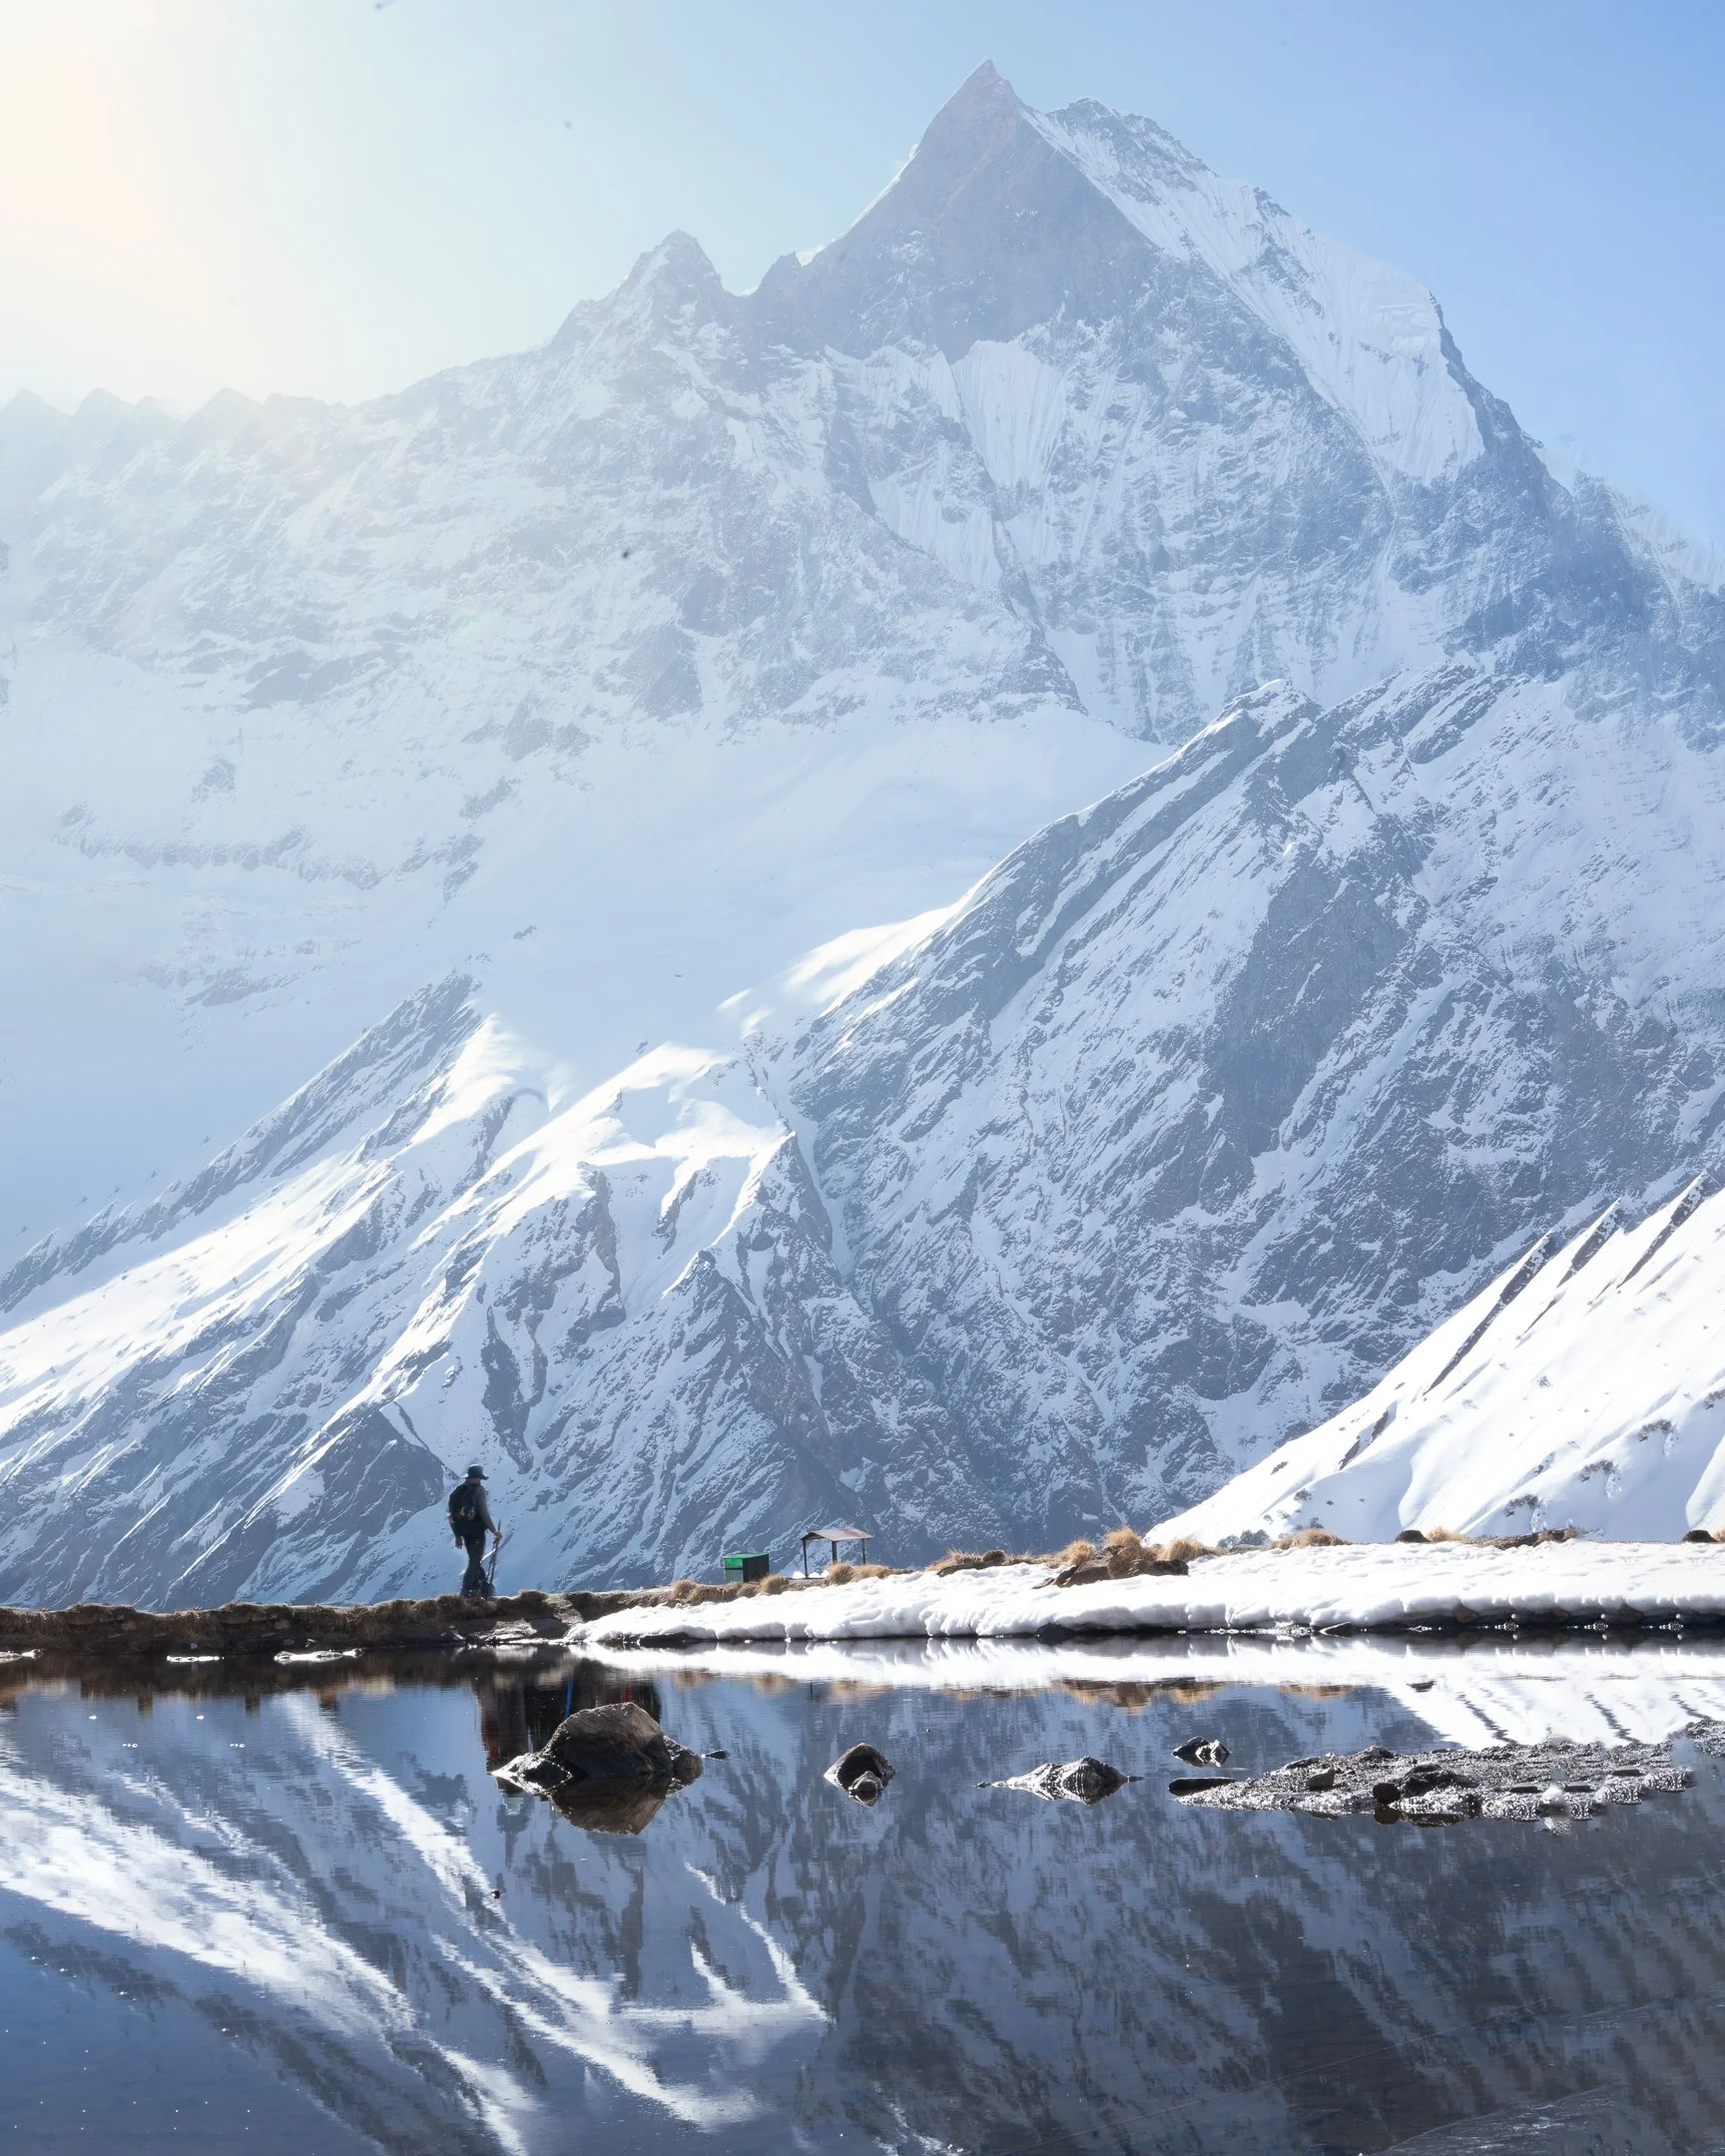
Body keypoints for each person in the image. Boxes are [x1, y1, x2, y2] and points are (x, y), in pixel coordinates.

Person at [448, 1464, 498, 1597]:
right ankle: (466, 1590)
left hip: (464, 1532)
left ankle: (479, 1586)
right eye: (480, 1478)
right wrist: (494, 1531)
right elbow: (483, 1512)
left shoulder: (457, 1491)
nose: (481, 1481)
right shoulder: (478, 1490)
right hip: (477, 1531)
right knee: (475, 1561)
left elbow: (452, 1517)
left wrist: (457, 1535)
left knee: (474, 1558)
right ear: (477, 1478)